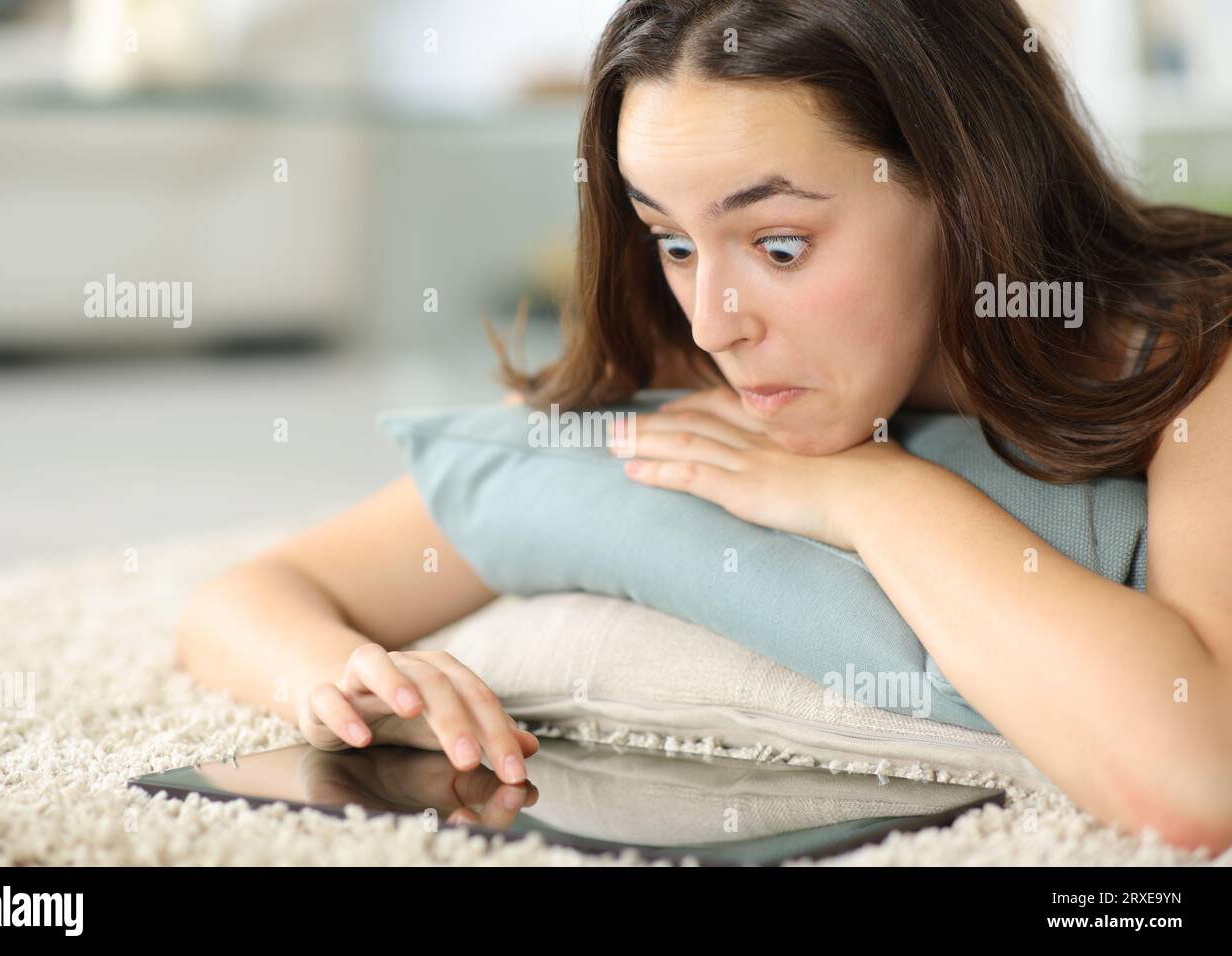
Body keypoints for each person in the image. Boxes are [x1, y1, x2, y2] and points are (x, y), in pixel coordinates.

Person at [176, 0, 1232, 851]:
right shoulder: (686, 357)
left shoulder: (1202, 357)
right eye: (672, 241)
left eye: (778, 245)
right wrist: (336, 674)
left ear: (966, 194)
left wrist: (874, 490)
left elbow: (1193, 782)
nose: (715, 320)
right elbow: (247, 598)